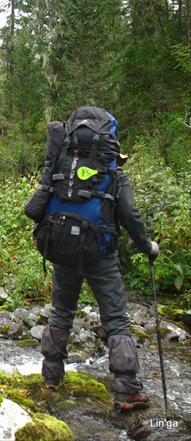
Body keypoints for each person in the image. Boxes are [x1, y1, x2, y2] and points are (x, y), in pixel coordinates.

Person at [25, 117, 159, 412]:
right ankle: (126, 389)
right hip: (100, 255)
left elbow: (33, 209)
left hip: (63, 252)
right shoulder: (113, 173)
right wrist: (148, 246)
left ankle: (51, 377)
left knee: (61, 312)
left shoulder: (61, 167)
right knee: (116, 320)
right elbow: (130, 215)